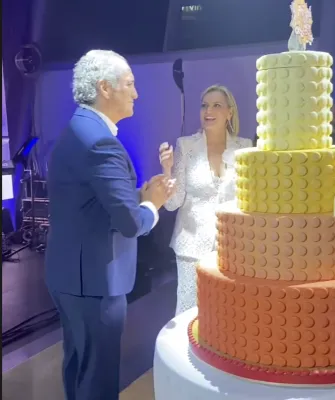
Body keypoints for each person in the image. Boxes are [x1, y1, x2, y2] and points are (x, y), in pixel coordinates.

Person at [45, 50, 175, 400]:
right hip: (94, 282)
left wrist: (137, 194)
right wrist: (152, 204)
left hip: (70, 276)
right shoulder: (101, 142)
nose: (136, 93)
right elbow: (130, 224)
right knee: (98, 381)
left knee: (79, 367)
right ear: (104, 87)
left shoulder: (79, 129)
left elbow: (90, 201)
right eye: (129, 84)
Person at [159, 85, 253, 315]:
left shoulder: (244, 148)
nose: (208, 111)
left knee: (228, 312)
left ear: (229, 112)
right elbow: (173, 203)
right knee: (190, 313)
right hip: (191, 248)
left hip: (232, 247)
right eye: (204, 105)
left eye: (216, 105)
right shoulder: (186, 146)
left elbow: (249, 201)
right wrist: (167, 170)